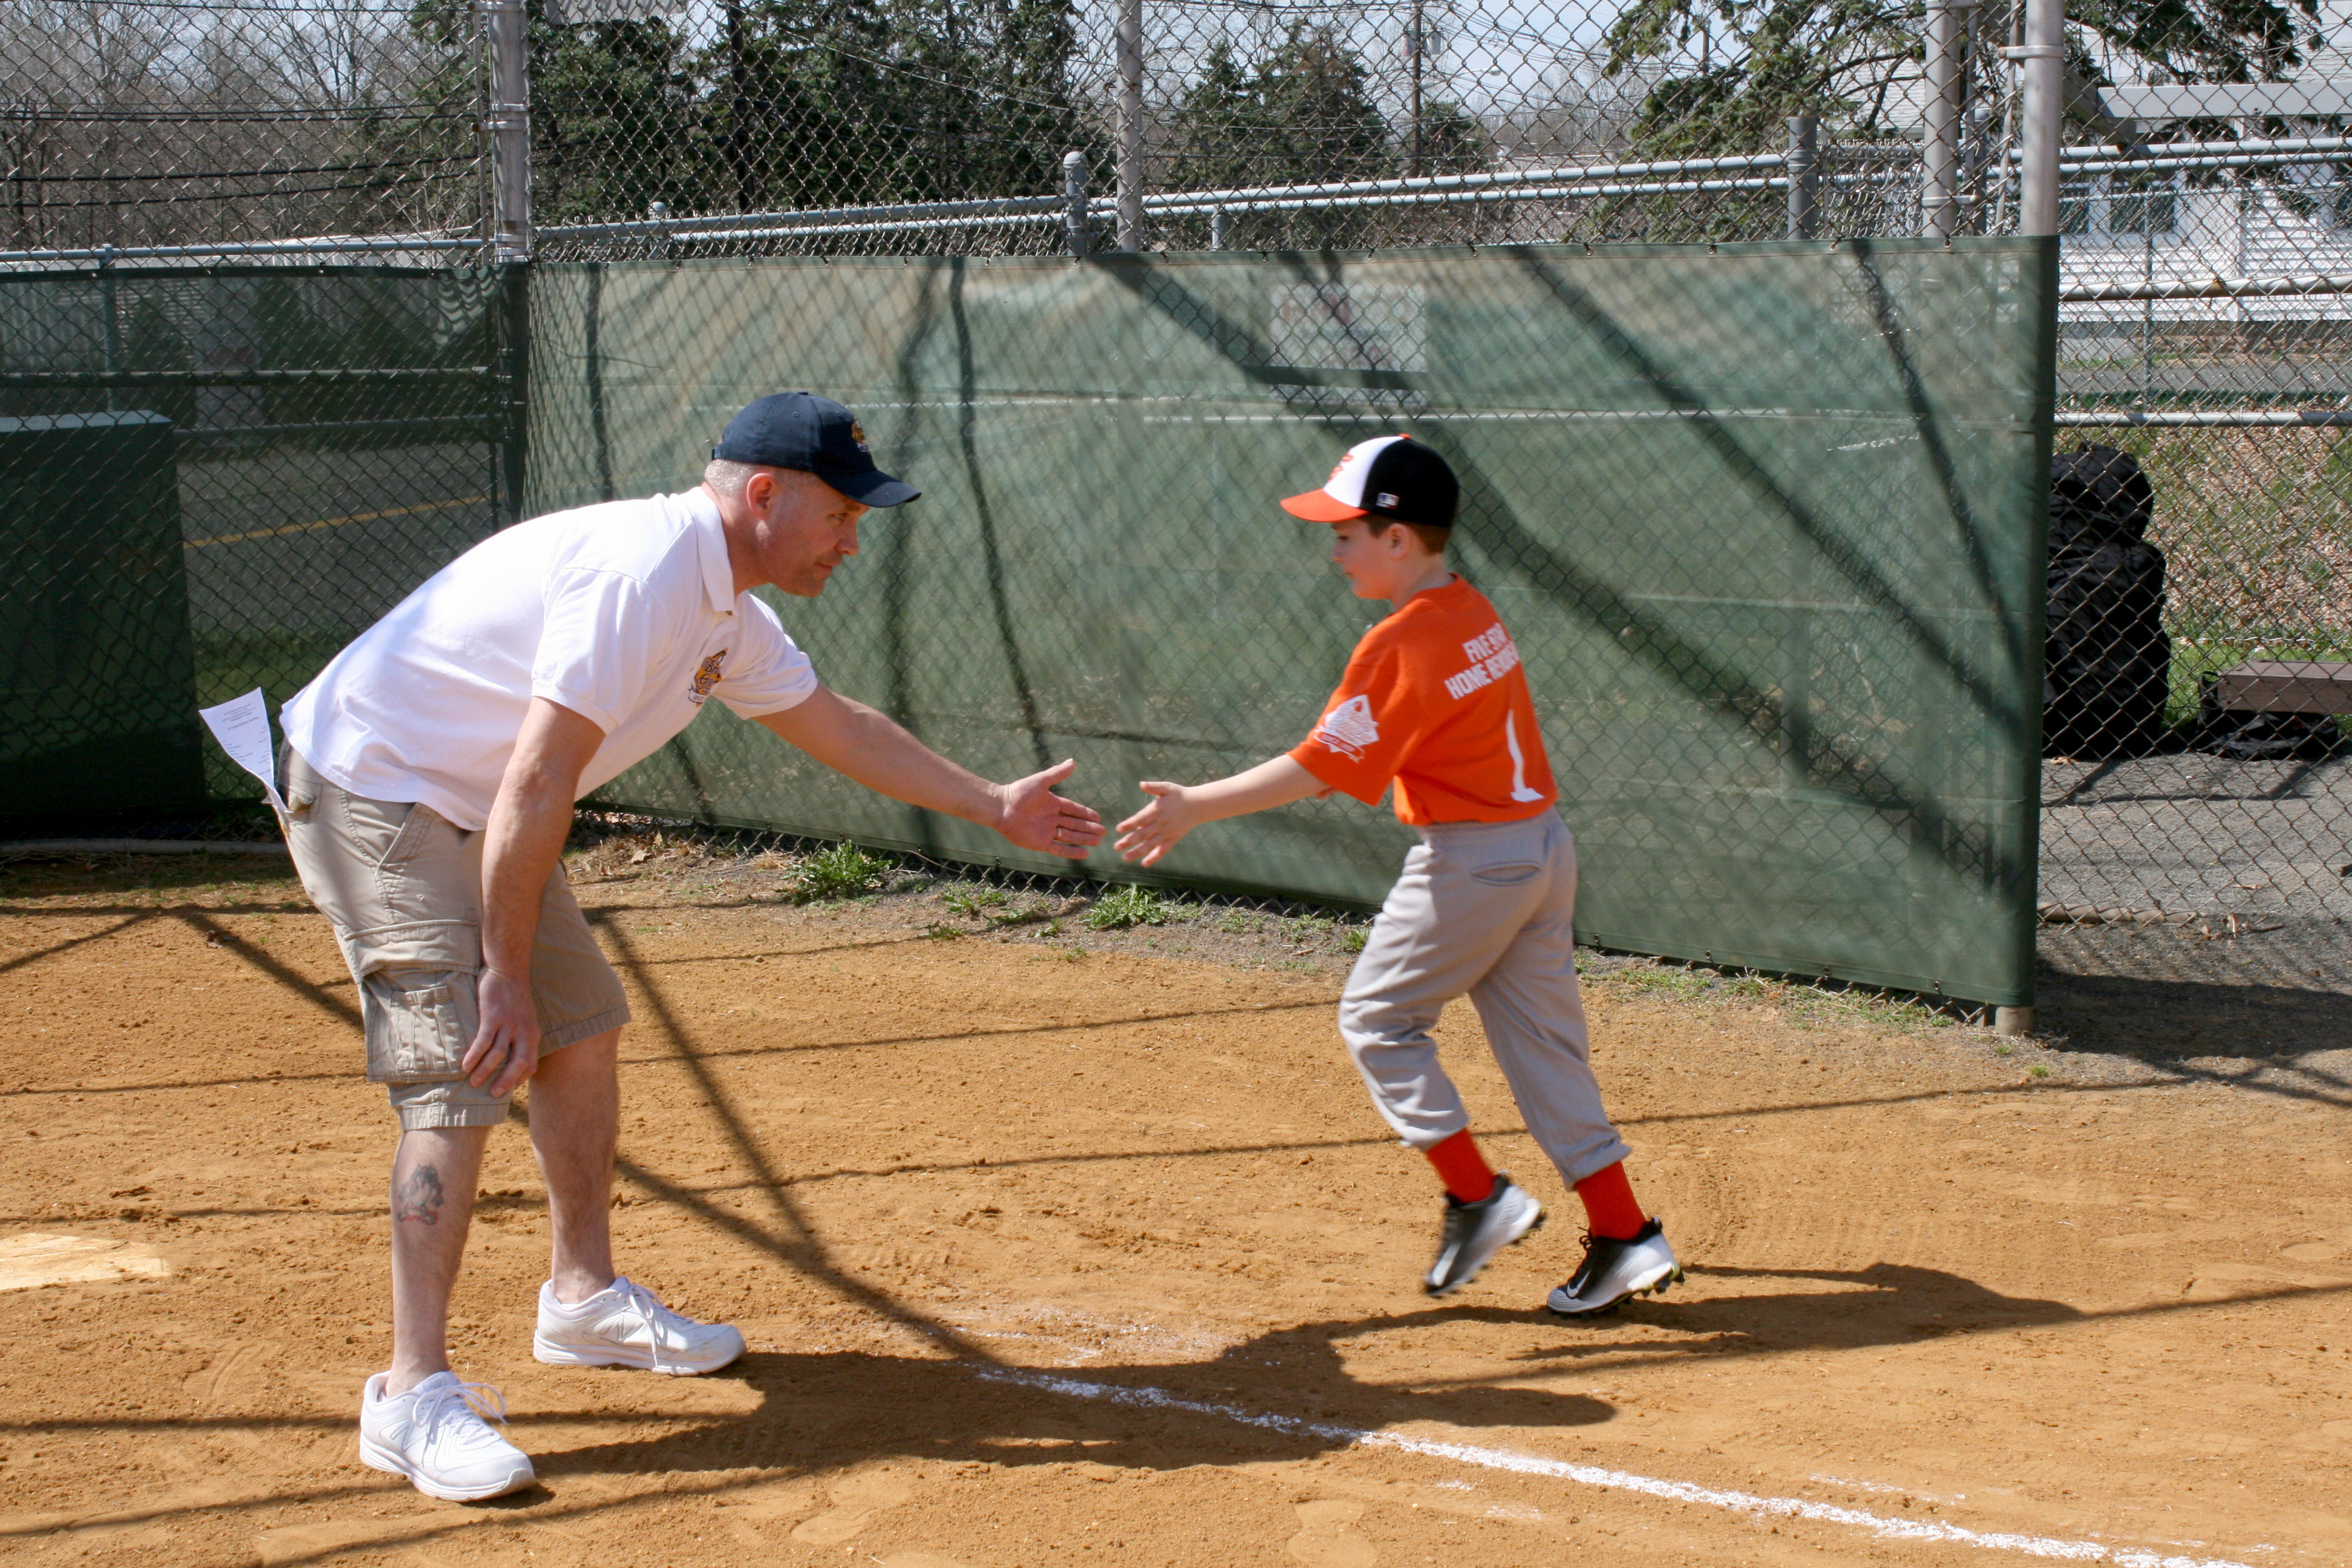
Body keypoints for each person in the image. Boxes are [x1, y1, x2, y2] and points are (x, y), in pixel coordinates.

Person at [275, 392, 1104, 1501]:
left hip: (479, 803)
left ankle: (581, 1303)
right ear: (762, 494)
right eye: (843, 514)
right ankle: (410, 1393)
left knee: (584, 1033)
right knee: (465, 1060)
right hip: (378, 785)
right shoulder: (645, 574)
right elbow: (539, 774)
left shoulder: (727, 611)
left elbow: (839, 724)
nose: (855, 539)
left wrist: (994, 802)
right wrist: (502, 972)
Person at [1112, 434, 1679, 1316]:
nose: (1334, 551)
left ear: (1398, 538)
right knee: (1545, 1053)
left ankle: (1479, 1198)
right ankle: (1624, 1235)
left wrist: (1194, 806)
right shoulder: (1471, 609)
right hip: (1540, 849)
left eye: (1346, 533)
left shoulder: (1402, 640)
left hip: (1474, 862)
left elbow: (1318, 766)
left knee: (1378, 1020)